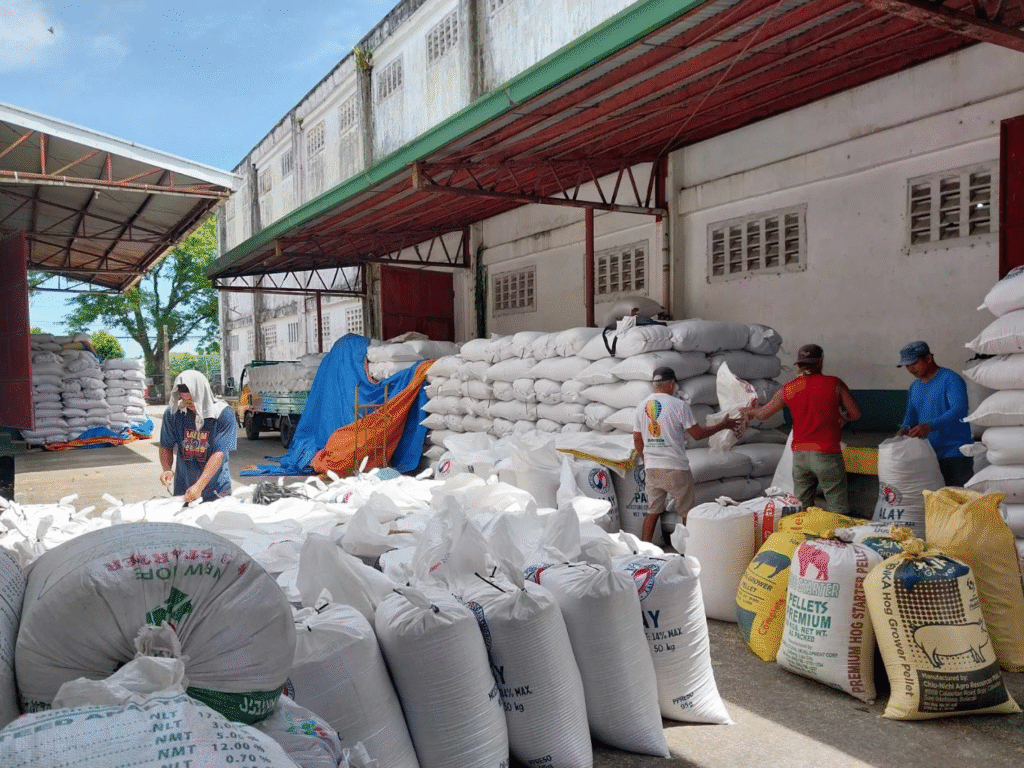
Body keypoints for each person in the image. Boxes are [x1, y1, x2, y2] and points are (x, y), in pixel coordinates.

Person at [742, 344, 860, 515]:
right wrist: (844, 417)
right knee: (837, 507)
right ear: (820, 362)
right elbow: (855, 413)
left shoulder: (788, 388)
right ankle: (836, 532)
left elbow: (762, 414)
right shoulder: (835, 384)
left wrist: (747, 410)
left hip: (800, 457)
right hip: (827, 454)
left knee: (802, 508)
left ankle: (803, 531)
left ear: (799, 364)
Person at [633, 366, 740, 542]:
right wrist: (722, 425)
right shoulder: (679, 405)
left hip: (652, 468)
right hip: (675, 468)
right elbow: (697, 434)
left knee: (653, 511)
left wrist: (647, 460)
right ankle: (688, 548)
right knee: (687, 512)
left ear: (654, 385)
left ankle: (643, 549)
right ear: (671, 384)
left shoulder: (641, 406)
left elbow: (637, 438)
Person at [896, 340, 973, 487]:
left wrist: (930, 426)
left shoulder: (951, 380)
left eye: (914, 363)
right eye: (907, 366)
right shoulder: (914, 387)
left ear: (928, 358)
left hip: (955, 453)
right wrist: (904, 429)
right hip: (928, 455)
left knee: (957, 497)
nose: (911, 369)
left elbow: (959, 409)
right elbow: (911, 414)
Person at [159, 370, 237, 503]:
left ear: (202, 393)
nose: (188, 403)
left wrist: (199, 485)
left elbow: (219, 453)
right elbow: (166, 445)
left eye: (191, 399)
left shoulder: (222, 413)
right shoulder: (173, 413)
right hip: (184, 489)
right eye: (184, 399)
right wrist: (167, 469)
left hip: (216, 491)